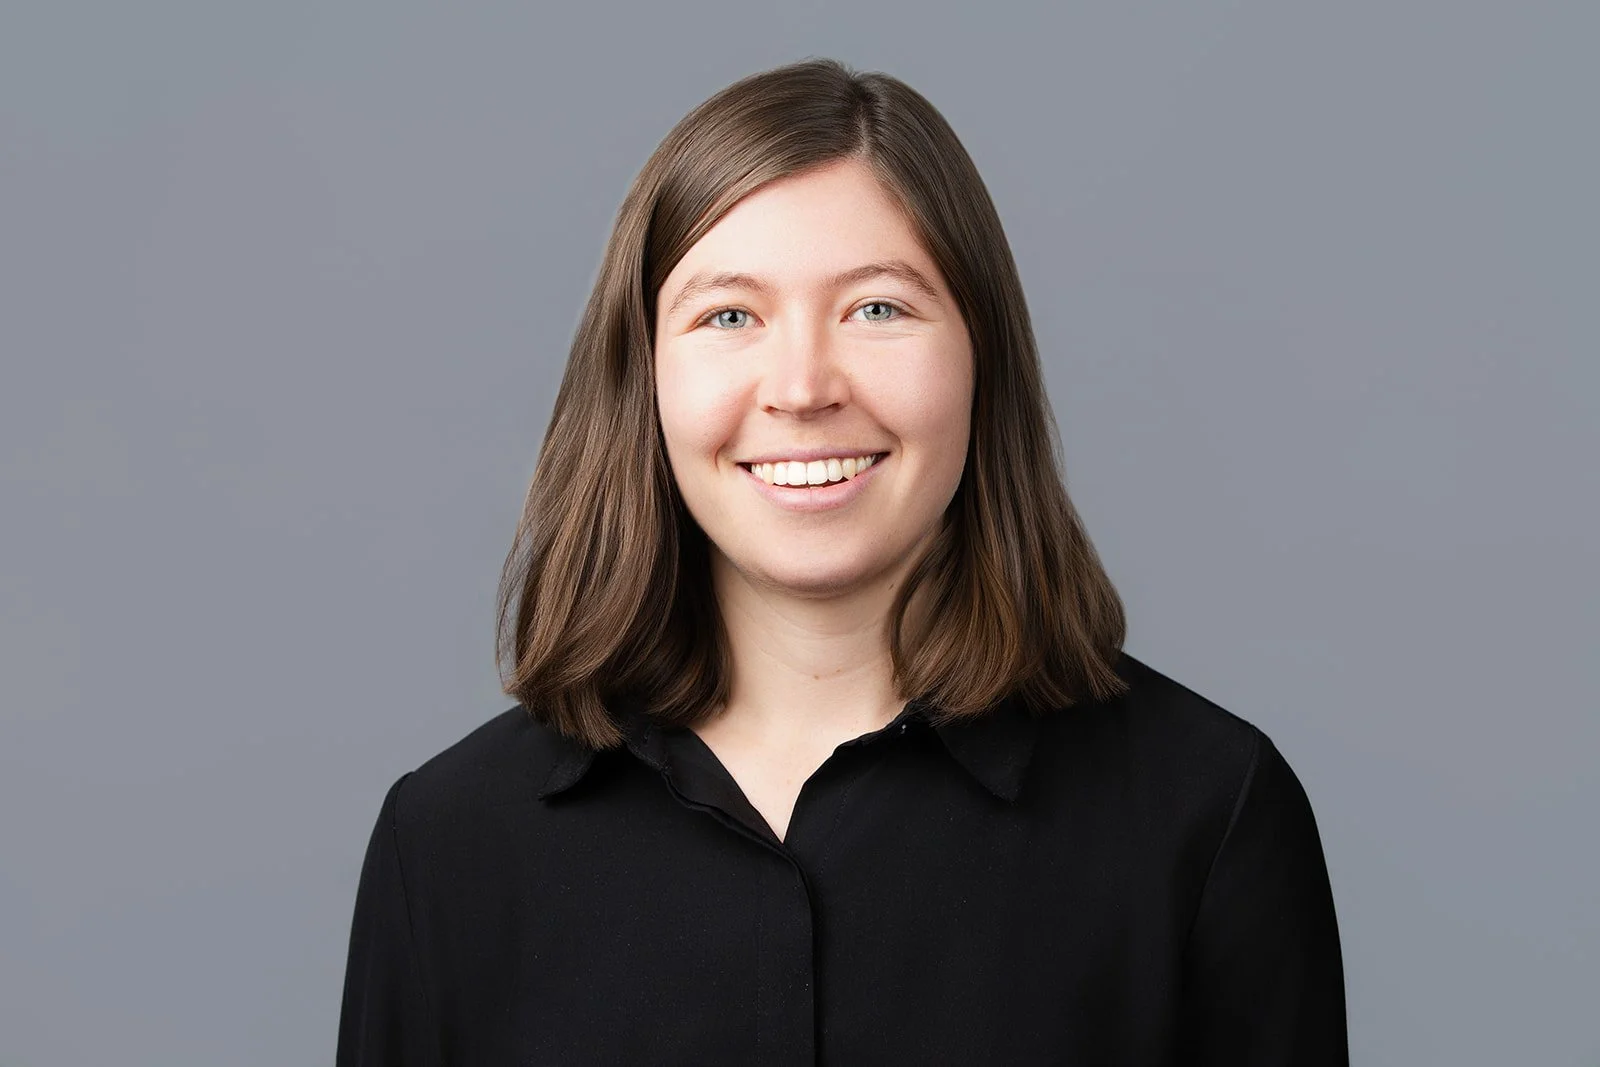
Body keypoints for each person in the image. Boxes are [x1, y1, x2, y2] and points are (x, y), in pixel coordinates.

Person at [336, 57, 1348, 1066]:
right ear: (643, 376)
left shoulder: (1206, 814)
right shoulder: (448, 844)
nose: (802, 385)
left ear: (979, 356)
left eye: (877, 308)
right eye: (728, 315)